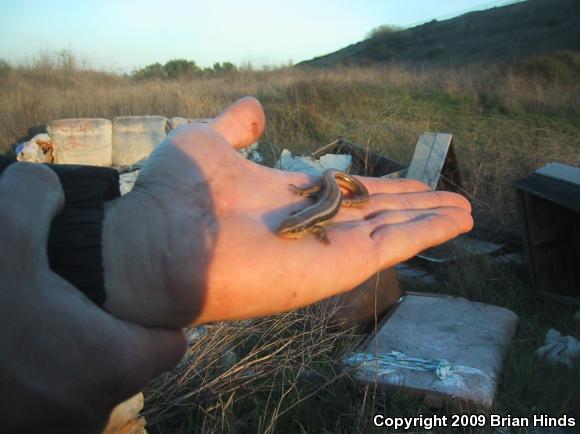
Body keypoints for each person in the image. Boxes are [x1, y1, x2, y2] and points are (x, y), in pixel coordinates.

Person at [0, 97, 473, 433]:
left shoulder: (315, 218)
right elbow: (305, 210)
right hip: (322, 194)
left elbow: (314, 219)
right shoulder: (308, 210)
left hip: (328, 200)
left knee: (330, 196)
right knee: (320, 187)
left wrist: (323, 211)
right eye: (292, 231)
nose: (288, 233)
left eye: (293, 232)